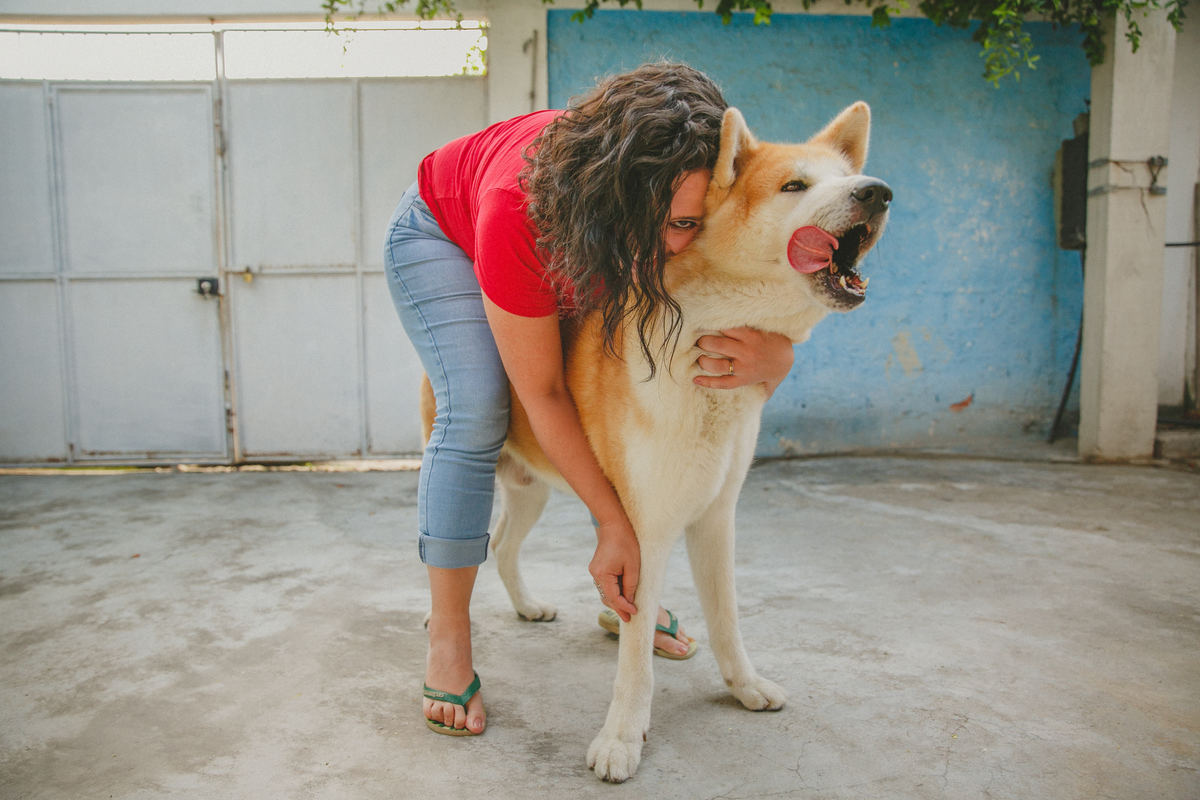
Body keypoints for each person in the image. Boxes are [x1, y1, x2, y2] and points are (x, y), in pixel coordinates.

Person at [383, 62, 796, 736]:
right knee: (478, 406)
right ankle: (449, 636)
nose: (668, 245)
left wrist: (777, 356)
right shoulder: (517, 207)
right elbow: (542, 393)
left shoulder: (678, 211)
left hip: (581, 235)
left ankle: (626, 595)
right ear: (614, 192)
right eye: (652, 219)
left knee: (618, 388)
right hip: (443, 232)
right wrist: (612, 522)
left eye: (688, 222)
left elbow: (736, 294)